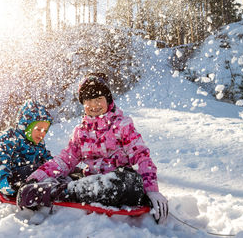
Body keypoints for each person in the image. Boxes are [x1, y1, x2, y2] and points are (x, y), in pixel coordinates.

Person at [17, 73, 169, 224]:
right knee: (67, 173)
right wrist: (34, 178)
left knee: (131, 183)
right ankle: (47, 189)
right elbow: (64, 160)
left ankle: (59, 191)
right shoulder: (80, 132)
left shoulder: (122, 125)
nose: (94, 105)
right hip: (90, 182)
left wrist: (152, 190)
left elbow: (141, 156)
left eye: (98, 99)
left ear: (108, 100)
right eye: (88, 100)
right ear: (83, 104)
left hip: (116, 181)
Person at [0, 100, 53, 196]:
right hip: (8, 179)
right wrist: (3, 180)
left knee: (47, 168)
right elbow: (0, 159)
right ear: (26, 126)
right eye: (38, 129)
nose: (42, 133)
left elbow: (47, 159)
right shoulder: (10, 137)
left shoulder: (39, 143)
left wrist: (57, 167)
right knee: (34, 170)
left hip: (29, 178)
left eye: (45, 130)